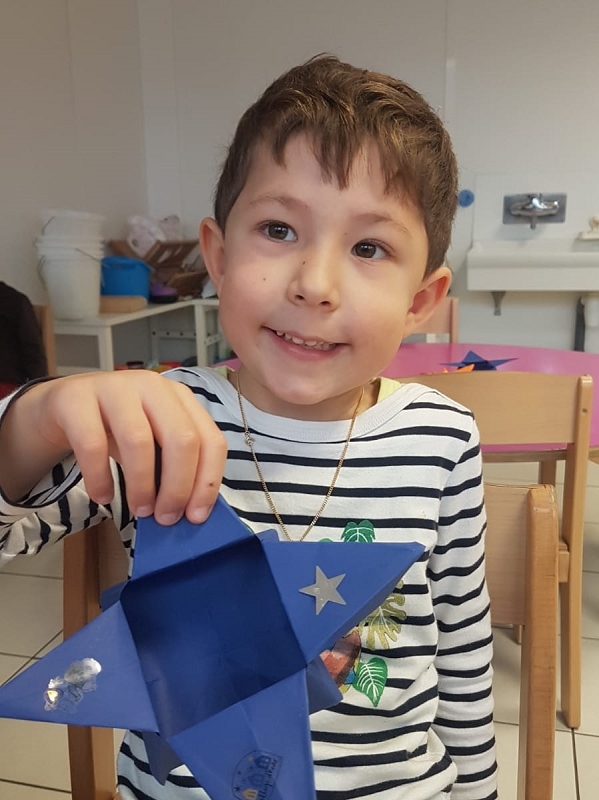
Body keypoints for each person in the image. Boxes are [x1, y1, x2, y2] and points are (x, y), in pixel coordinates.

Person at [0, 55, 496, 800]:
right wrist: (37, 416)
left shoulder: (443, 438)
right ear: (219, 256)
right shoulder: (156, 423)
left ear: (420, 301)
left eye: (368, 247)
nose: (315, 285)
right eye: (278, 228)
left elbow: (463, 656)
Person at [0, 281, 48, 398]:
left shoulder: (14, 302)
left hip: (7, 386)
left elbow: (33, 352)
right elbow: (33, 352)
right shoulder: (16, 301)